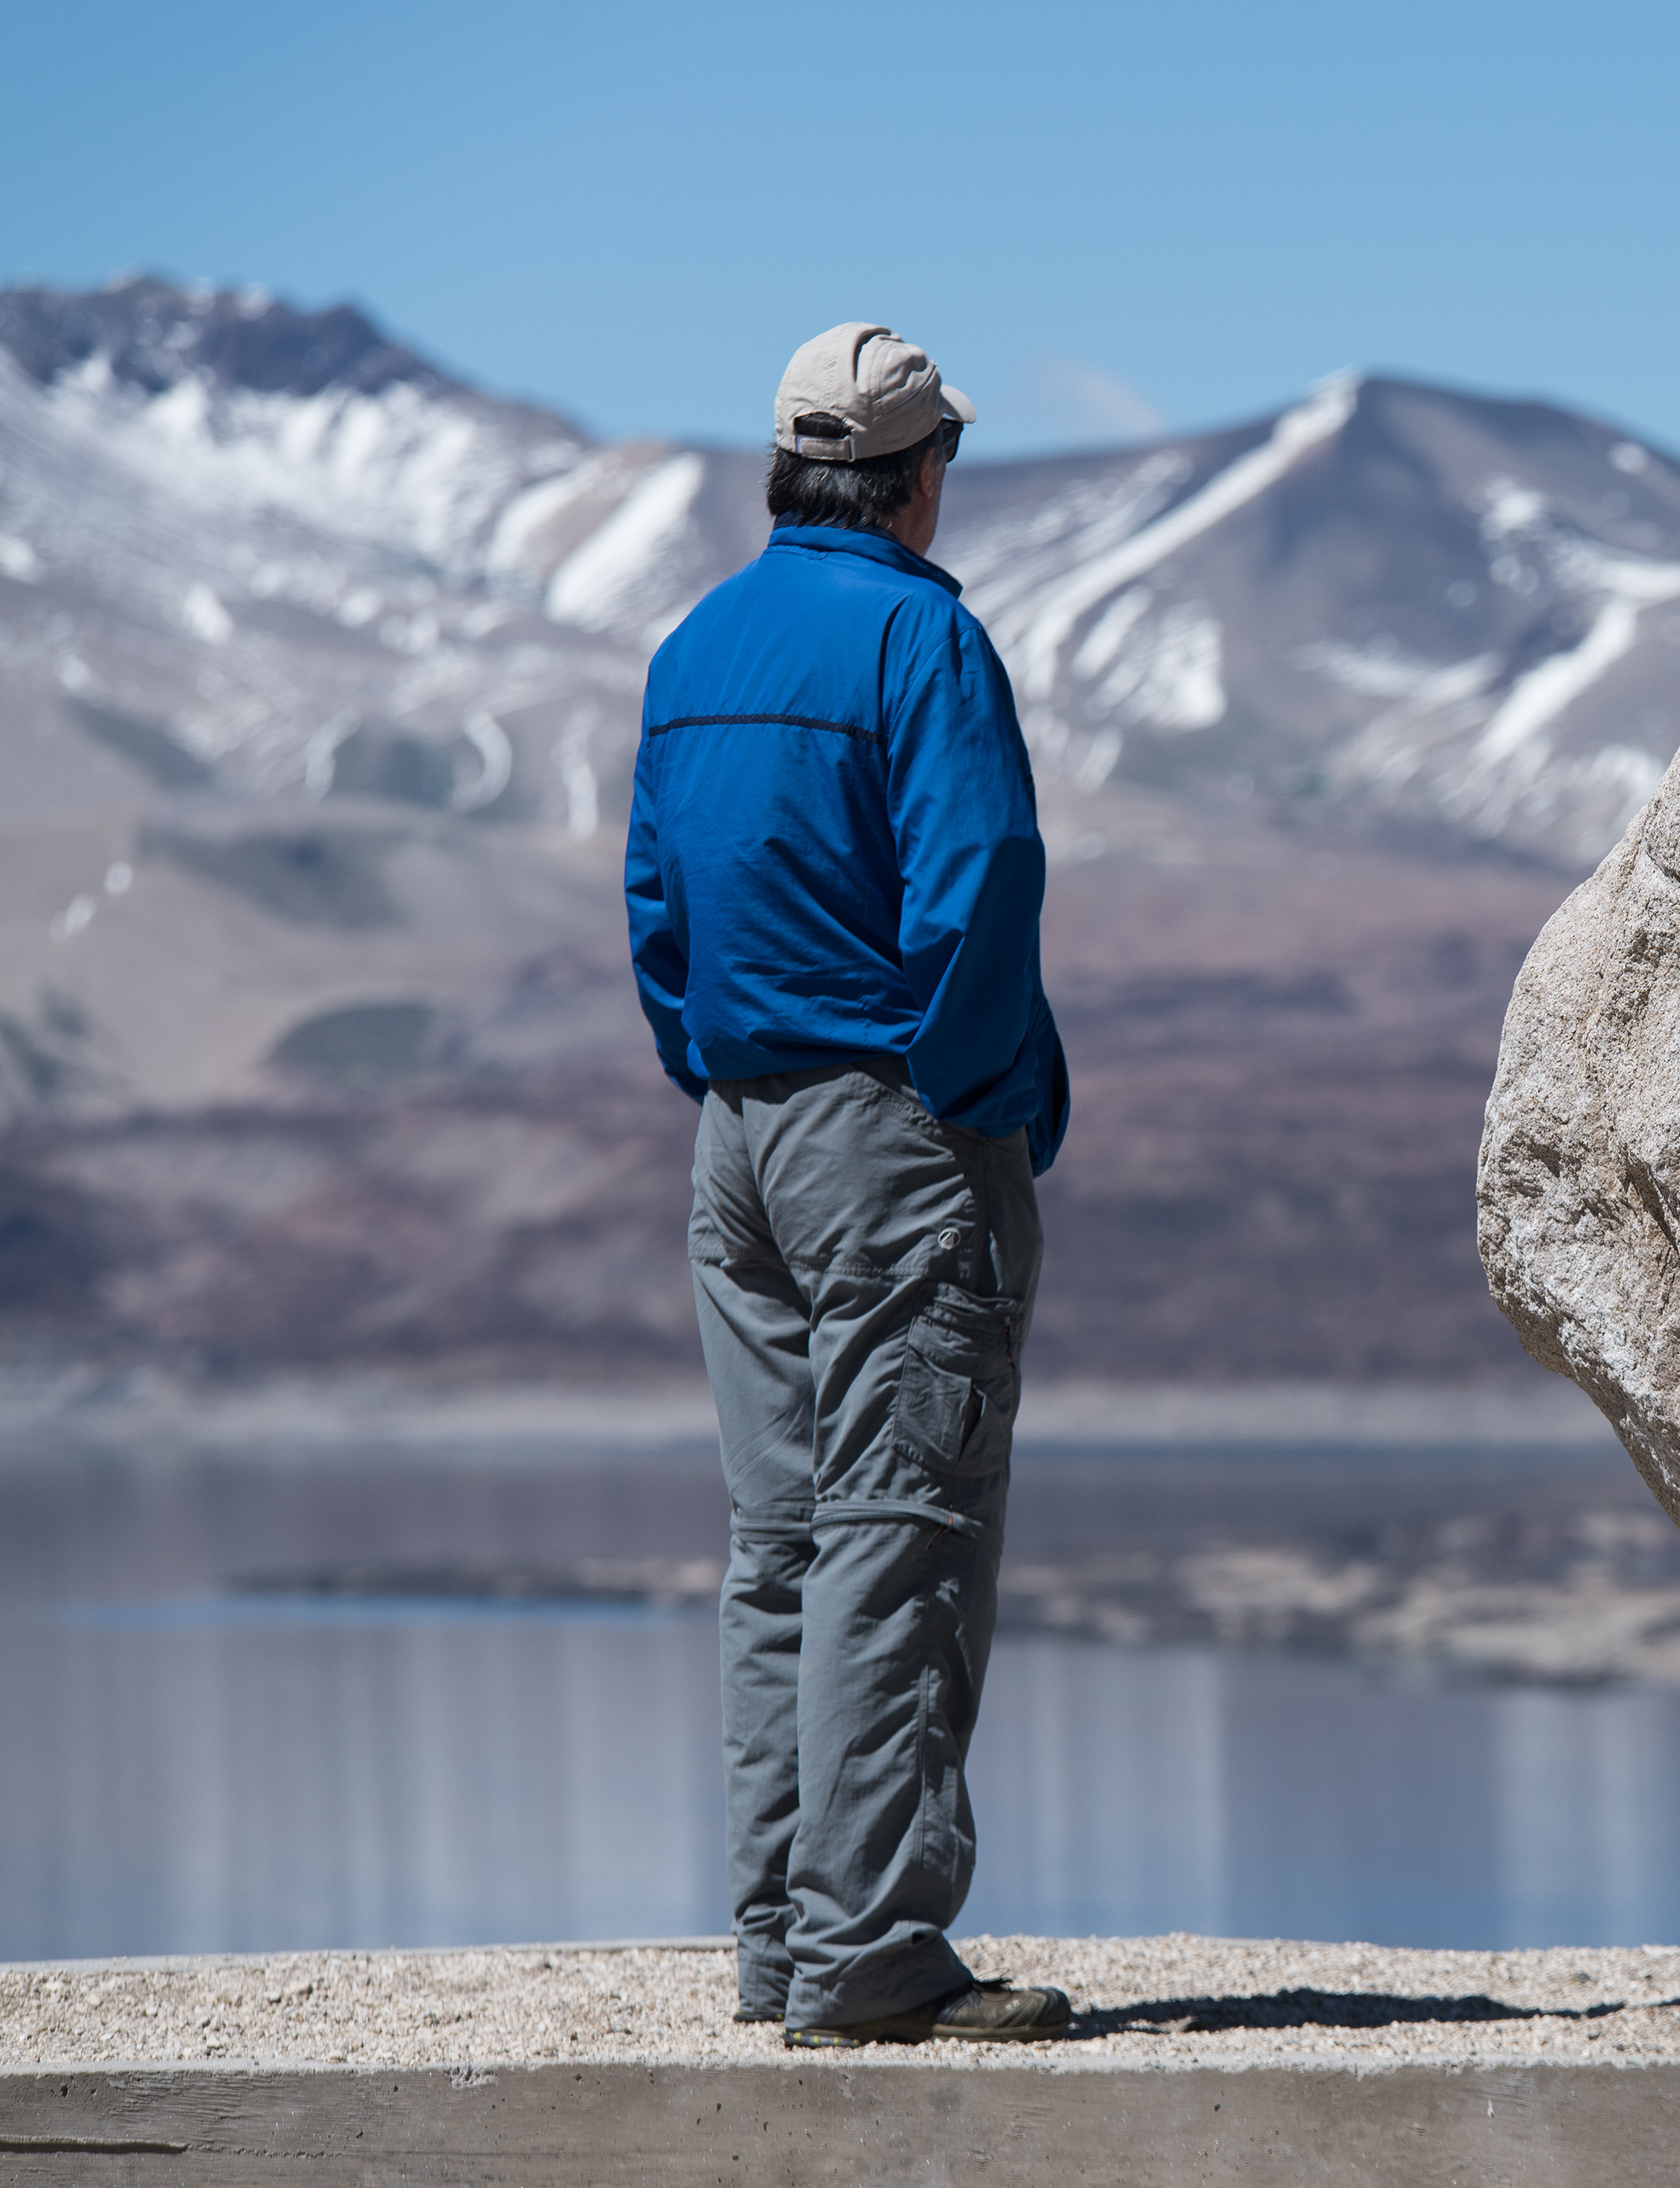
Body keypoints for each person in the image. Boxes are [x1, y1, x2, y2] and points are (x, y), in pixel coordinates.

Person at [624, 322, 1071, 2047]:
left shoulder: (695, 646)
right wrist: (972, 1100)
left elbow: (659, 909)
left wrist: (722, 1073)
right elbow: (980, 886)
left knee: (785, 1550)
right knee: (902, 1542)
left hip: (736, 1143)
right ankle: (870, 1960)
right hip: (890, 1141)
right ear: (915, 477)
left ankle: (781, 1946)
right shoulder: (919, 635)